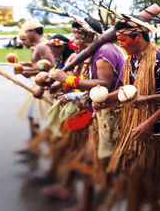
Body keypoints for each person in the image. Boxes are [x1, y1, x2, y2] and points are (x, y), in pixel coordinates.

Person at [98, 16, 160, 211]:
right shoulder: (131, 60)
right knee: (133, 179)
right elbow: (127, 90)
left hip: (157, 131)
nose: (121, 44)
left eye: (123, 40)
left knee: (154, 182)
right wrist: (104, 99)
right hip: (133, 127)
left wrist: (149, 123)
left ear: (136, 35)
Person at [46, 16, 125, 210]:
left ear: (90, 34)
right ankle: (88, 200)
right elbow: (93, 88)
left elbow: (104, 85)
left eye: (79, 36)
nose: (76, 41)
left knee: (92, 160)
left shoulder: (105, 50)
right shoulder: (95, 52)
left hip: (111, 113)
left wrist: (69, 81)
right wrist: (71, 96)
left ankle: (93, 202)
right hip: (99, 112)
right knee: (88, 159)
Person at [15, 19, 55, 154]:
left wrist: (30, 72)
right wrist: (26, 67)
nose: (25, 35)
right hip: (40, 82)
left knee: (39, 116)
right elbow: (40, 65)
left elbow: (51, 66)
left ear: (33, 32)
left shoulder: (42, 46)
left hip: (44, 84)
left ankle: (45, 146)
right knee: (33, 116)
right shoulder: (39, 45)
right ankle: (34, 145)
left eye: (27, 31)